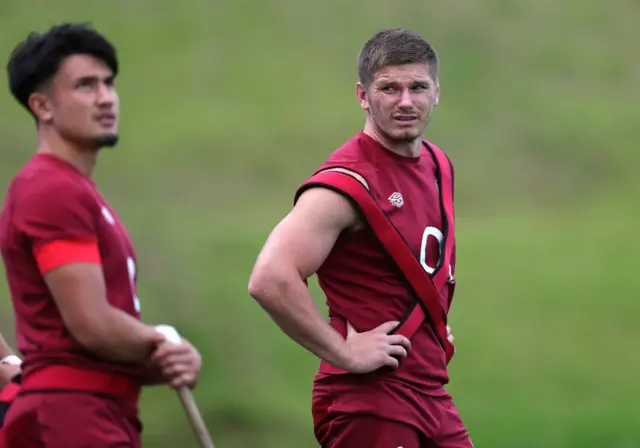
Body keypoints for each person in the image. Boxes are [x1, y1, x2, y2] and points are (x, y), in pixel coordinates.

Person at [248, 28, 473, 447]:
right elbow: (270, 278)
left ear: (436, 92)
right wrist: (345, 352)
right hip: (371, 399)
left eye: (417, 87)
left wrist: (431, 327)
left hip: (431, 390)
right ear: (363, 95)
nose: (406, 101)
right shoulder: (343, 184)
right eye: (389, 88)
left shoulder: (439, 164)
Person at [0, 23, 202, 447]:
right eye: (85, 86)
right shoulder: (50, 187)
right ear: (43, 106)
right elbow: (89, 324)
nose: (106, 98)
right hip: (70, 416)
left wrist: (159, 360)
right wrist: (163, 342)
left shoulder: (76, 190)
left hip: (97, 411)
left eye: (109, 83)